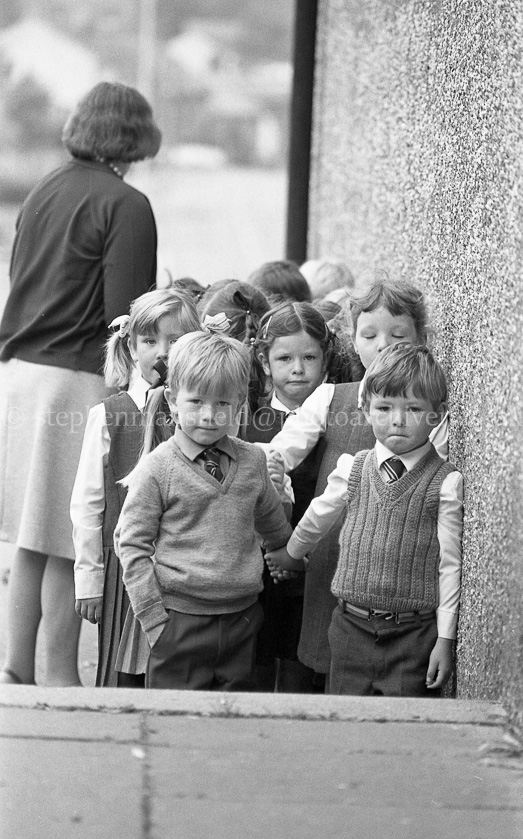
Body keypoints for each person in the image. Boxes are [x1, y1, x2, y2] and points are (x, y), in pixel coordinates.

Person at [0, 81, 161, 686]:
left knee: (31, 538)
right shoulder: (126, 203)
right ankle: (62, 676)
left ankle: (17, 669)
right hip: (75, 379)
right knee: (74, 534)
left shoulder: (43, 189)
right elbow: (127, 316)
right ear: (137, 135)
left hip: (20, 377)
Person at [263, 274, 449, 687]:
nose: (383, 345)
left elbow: (434, 471)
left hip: (394, 565)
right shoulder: (333, 397)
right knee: (327, 664)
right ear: (352, 338)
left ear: (420, 338)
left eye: (398, 335)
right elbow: (284, 448)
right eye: (369, 335)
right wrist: (271, 467)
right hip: (331, 551)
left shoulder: (427, 410)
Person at [114, 331, 292, 690]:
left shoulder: (252, 461)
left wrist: (290, 555)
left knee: (234, 716)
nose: (209, 416)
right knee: (176, 719)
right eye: (196, 401)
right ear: (172, 400)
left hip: (243, 621)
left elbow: (274, 528)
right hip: (179, 621)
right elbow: (131, 545)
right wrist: (155, 621)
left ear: (239, 404)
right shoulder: (158, 468)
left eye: (222, 403)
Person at [71, 289, 200, 687]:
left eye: (175, 341)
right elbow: (88, 504)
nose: (162, 352)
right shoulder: (110, 415)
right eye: (149, 341)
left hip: (188, 570)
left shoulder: (204, 415)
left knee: (178, 673)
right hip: (126, 571)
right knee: (122, 675)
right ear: (131, 346)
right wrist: (89, 580)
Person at [243, 301, 358, 691]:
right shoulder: (250, 422)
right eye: (284, 358)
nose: (297, 369)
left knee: (300, 665)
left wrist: (298, 553)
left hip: (314, 559)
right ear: (264, 361)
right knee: (256, 662)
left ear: (325, 359)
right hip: (259, 564)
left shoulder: (339, 419)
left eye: (309, 357)